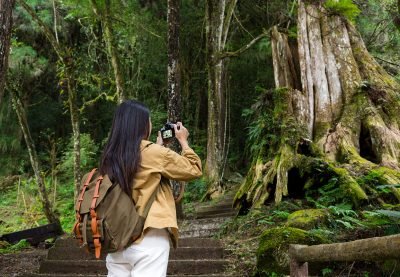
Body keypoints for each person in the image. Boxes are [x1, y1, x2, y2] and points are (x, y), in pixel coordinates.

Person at [99, 100, 202, 277]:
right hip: (149, 237)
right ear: (142, 124)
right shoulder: (153, 152)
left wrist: (159, 146)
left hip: (118, 238)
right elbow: (194, 169)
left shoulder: (109, 156)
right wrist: (183, 141)